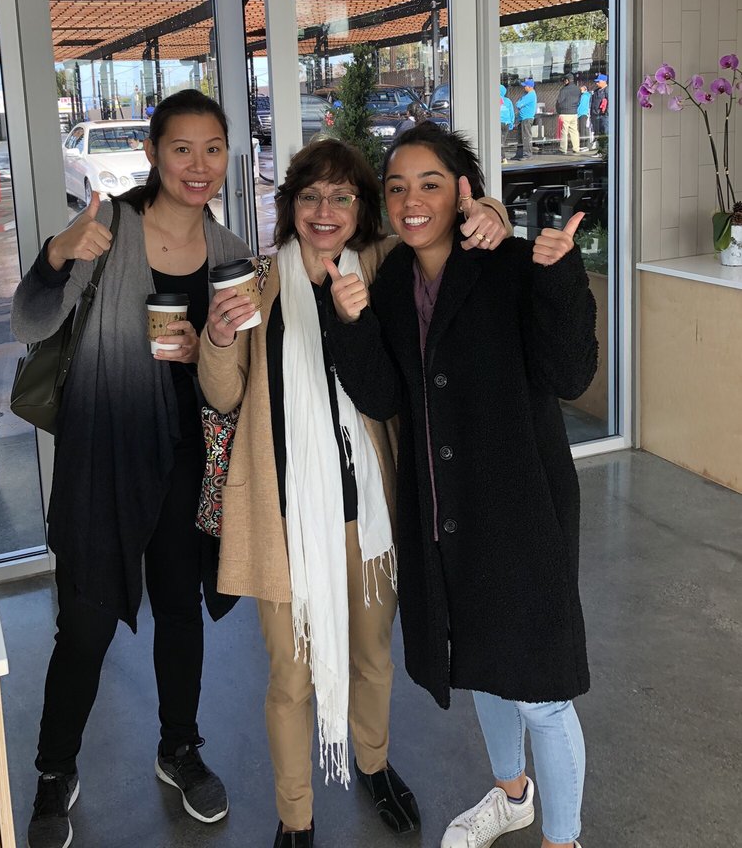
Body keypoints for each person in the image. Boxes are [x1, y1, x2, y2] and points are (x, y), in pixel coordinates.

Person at [197, 138, 510, 848]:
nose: (325, 210)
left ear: (362, 208)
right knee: (290, 677)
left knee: (373, 656)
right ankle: (296, 816)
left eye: (342, 197)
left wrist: (487, 212)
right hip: (284, 520)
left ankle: (372, 763)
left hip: (368, 512)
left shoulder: (381, 266)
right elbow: (224, 394)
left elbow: (445, 245)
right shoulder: (256, 283)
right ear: (290, 206)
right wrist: (216, 341)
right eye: (310, 196)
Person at [325, 122, 597, 848]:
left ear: (463, 191)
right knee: (481, 666)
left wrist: (558, 276)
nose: (412, 201)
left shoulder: (508, 264)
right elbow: (383, 395)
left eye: (430, 184)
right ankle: (512, 797)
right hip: (444, 516)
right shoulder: (390, 282)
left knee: (540, 694)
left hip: (522, 512)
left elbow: (571, 374)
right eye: (398, 187)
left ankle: (562, 840)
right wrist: (349, 322)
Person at [13, 89, 252, 848]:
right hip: (104, 456)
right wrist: (57, 253)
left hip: (187, 459)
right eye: (182, 148)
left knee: (179, 611)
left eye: (213, 149)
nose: (199, 165)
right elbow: (30, 318)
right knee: (84, 623)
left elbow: (237, 378)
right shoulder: (107, 230)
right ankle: (55, 770)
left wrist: (212, 351)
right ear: (152, 152)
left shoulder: (230, 251)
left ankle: (179, 747)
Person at [556, 75, 580, 154]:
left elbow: (559, 101)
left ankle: (563, 149)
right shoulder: (577, 89)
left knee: (564, 132)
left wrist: (558, 110)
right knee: (574, 131)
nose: (563, 82)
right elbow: (579, 100)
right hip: (574, 113)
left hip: (565, 113)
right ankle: (576, 148)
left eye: (564, 80)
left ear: (567, 80)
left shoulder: (564, 89)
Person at [514, 78, 537, 160]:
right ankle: (519, 154)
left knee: (526, 137)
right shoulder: (526, 94)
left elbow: (518, 104)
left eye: (525, 86)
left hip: (527, 118)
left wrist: (520, 103)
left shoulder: (531, 95)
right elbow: (518, 103)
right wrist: (519, 103)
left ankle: (528, 154)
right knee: (520, 137)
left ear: (530, 87)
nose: (524, 87)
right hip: (522, 118)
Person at [591, 74, 609, 142]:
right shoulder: (596, 91)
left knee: (604, 132)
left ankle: (605, 147)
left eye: (598, 81)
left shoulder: (607, 90)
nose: (597, 83)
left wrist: (606, 113)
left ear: (604, 81)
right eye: (596, 82)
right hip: (595, 115)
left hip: (603, 116)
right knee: (597, 133)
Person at [499, 84, 515, 163]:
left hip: (499, 123)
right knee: (503, 141)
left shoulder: (495, 100)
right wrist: (512, 122)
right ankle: (502, 158)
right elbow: (512, 112)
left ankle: (503, 158)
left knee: (499, 141)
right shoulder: (508, 101)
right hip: (507, 123)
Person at [577, 85, 592, 150]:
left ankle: (583, 145)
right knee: (584, 129)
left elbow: (581, 105)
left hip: (582, 113)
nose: (580, 91)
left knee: (582, 129)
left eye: (581, 90)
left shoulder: (584, 96)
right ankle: (585, 144)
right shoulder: (587, 95)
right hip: (585, 113)